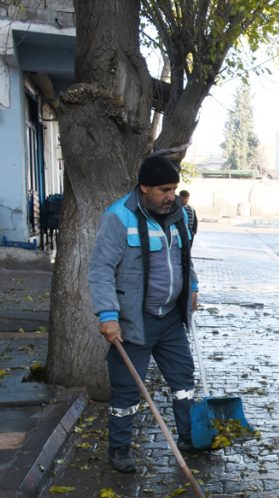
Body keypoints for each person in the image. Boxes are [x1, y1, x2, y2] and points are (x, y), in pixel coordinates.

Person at [89, 155, 199, 473]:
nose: (171, 195)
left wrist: (192, 286)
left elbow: (184, 256)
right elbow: (100, 269)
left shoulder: (179, 214)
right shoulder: (119, 217)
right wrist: (107, 315)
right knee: (126, 390)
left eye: (174, 189)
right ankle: (120, 449)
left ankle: (190, 438)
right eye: (164, 190)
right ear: (144, 188)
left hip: (170, 320)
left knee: (183, 382)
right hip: (134, 323)